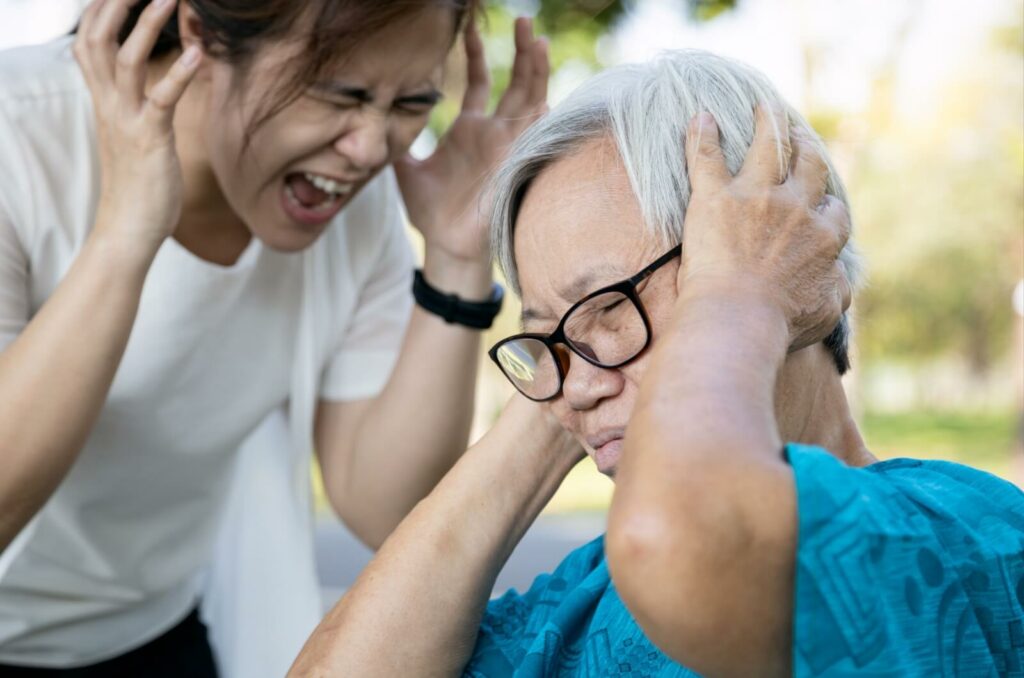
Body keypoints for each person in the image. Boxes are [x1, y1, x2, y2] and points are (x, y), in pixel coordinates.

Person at [290, 50, 1024, 676]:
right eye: (550, 338)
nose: (573, 388)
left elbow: (691, 540)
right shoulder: (584, 595)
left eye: (610, 308)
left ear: (779, 260)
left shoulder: (956, 531)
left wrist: (737, 294)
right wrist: (569, 359)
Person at [0, 0, 550, 675]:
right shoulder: (17, 131)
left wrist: (457, 258)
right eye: (337, 94)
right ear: (201, 32)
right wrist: (127, 231)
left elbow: (385, 509)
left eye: (412, 102)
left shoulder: (355, 206)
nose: (371, 148)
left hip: (144, 635)